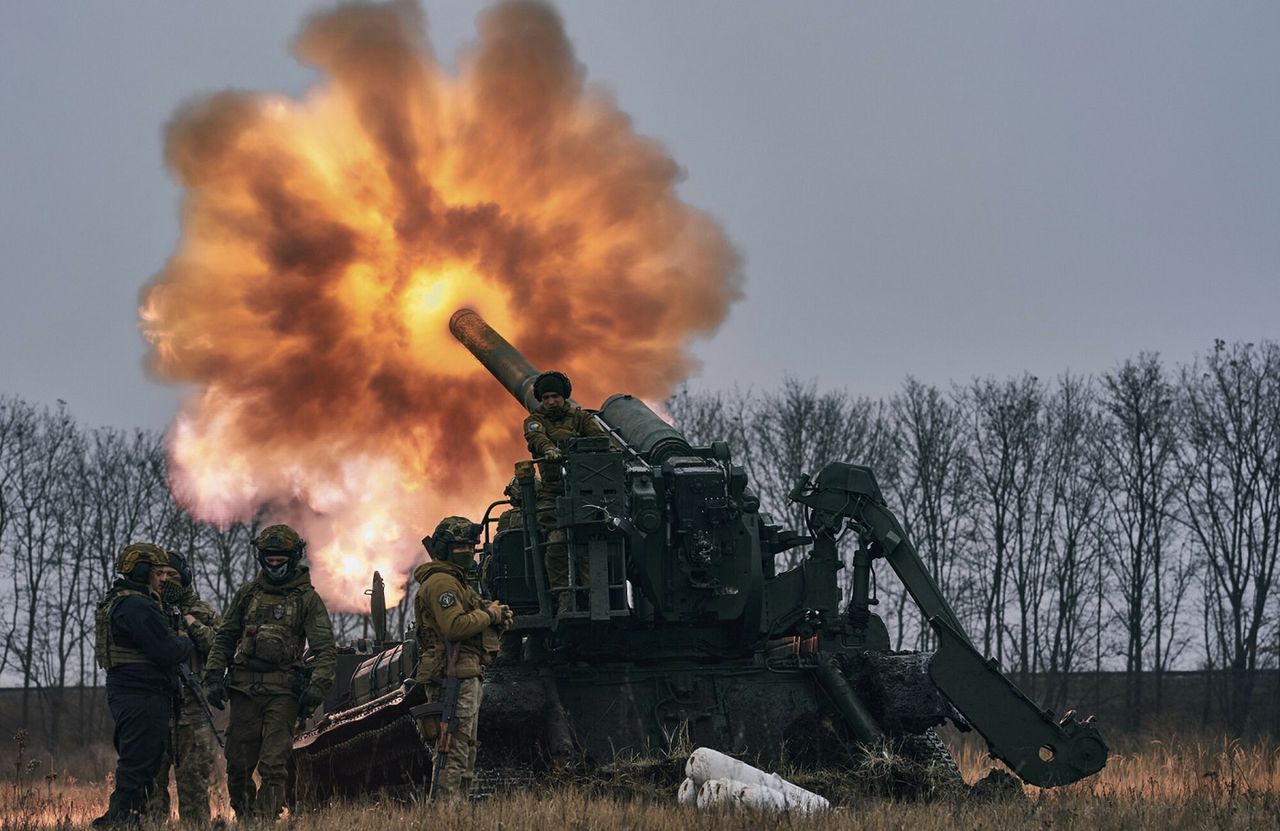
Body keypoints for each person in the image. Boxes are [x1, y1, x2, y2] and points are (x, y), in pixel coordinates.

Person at [202, 524, 336, 821]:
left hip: (284, 693)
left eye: (281, 558)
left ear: (293, 558)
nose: (275, 564)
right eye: (270, 558)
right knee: (237, 765)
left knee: (274, 765)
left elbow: (325, 648)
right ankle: (248, 817)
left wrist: (317, 687)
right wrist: (212, 677)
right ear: (262, 558)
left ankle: (264, 821)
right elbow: (225, 636)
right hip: (244, 690)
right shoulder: (248, 594)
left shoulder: (307, 599)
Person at [93, 543, 193, 828]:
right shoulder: (137, 605)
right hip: (141, 695)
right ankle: (117, 821)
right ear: (141, 571)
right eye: (158, 572)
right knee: (138, 764)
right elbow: (169, 650)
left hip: (133, 693)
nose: (164, 579)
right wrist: (185, 637)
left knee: (143, 761)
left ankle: (133, 820)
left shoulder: (123, 600)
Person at [413, 516, 512, 801]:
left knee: (465, 749)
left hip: (465, 671)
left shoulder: (457, 583)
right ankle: (445, 814)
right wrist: (490, 615)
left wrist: (496, 615)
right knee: (452, 751)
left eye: (471, 545)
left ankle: (457, 815)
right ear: (445, 549)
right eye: (461, 546)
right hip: (451, 674)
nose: (469, 551)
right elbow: (454, 626)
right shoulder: (442, 583)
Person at [521, 370, 608, 611]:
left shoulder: (581, 418)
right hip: (553, 495)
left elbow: (601, 442)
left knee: (591, 543)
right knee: (556, 543)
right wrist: (549, 449)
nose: (551, 402)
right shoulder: (535, 420)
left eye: (555, 397)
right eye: (546, 397)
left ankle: (595, 599)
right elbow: (536, 438)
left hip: (585, 494)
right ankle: (563, 597)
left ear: (564, 397)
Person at [147, 551, 220, 825]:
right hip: (155, 707)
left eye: (172, 575)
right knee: (151, 784)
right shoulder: (146, 610)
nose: (165, 580)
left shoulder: (201, 611)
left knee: (194, 784)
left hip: (191, 709)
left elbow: (219, 646)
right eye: (160, 574)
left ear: (184, 578)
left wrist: (191, 623)